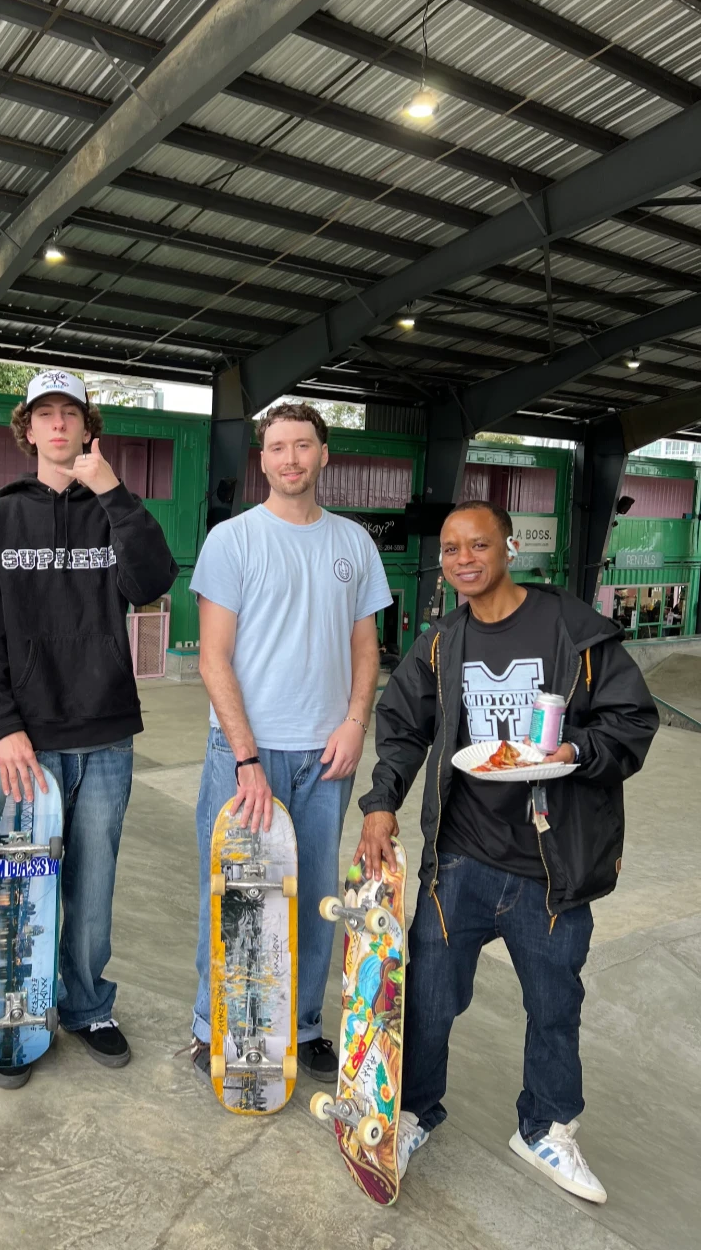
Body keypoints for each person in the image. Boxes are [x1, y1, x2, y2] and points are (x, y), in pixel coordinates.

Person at [357, 501, 658, 1204]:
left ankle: (545, 1126)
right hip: (460, 858)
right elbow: (402, 723)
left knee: (554, 1004)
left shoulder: (573, 630)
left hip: (549, 868)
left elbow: (632, 719)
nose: (463, 558)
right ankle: (411, 1111)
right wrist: (380, 801)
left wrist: (579, 749)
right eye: (453, 548)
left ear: (509, 547)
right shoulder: (442, 641)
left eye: (479, 544)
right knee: (427, 1000)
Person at [0, 368, 178, 1084]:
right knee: (24, 885)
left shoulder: (113, 510)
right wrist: (2, 727)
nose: (58, 426)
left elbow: (152, 581)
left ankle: (87, 1004)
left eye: (71, 415)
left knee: (92, 886)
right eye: (44, 414)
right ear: (26, 428)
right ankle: (20, 1017)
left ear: (89, 428)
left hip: (106, 733)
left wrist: (113, 489)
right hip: (28, 740)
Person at [188, 401, 392, 1082]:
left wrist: (356, 720)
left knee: (312, 897)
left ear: (323, 453)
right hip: (247, 751)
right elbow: (214, 657)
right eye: (277, 447)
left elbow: (367, 646)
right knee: (235, 895)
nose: (290, 458)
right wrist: (245, 755)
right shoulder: (234, 540)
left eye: (303, 445)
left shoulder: (354, 545)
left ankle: (303, 1026)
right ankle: (211, 1023)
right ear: (263, 457)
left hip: (325, 752)